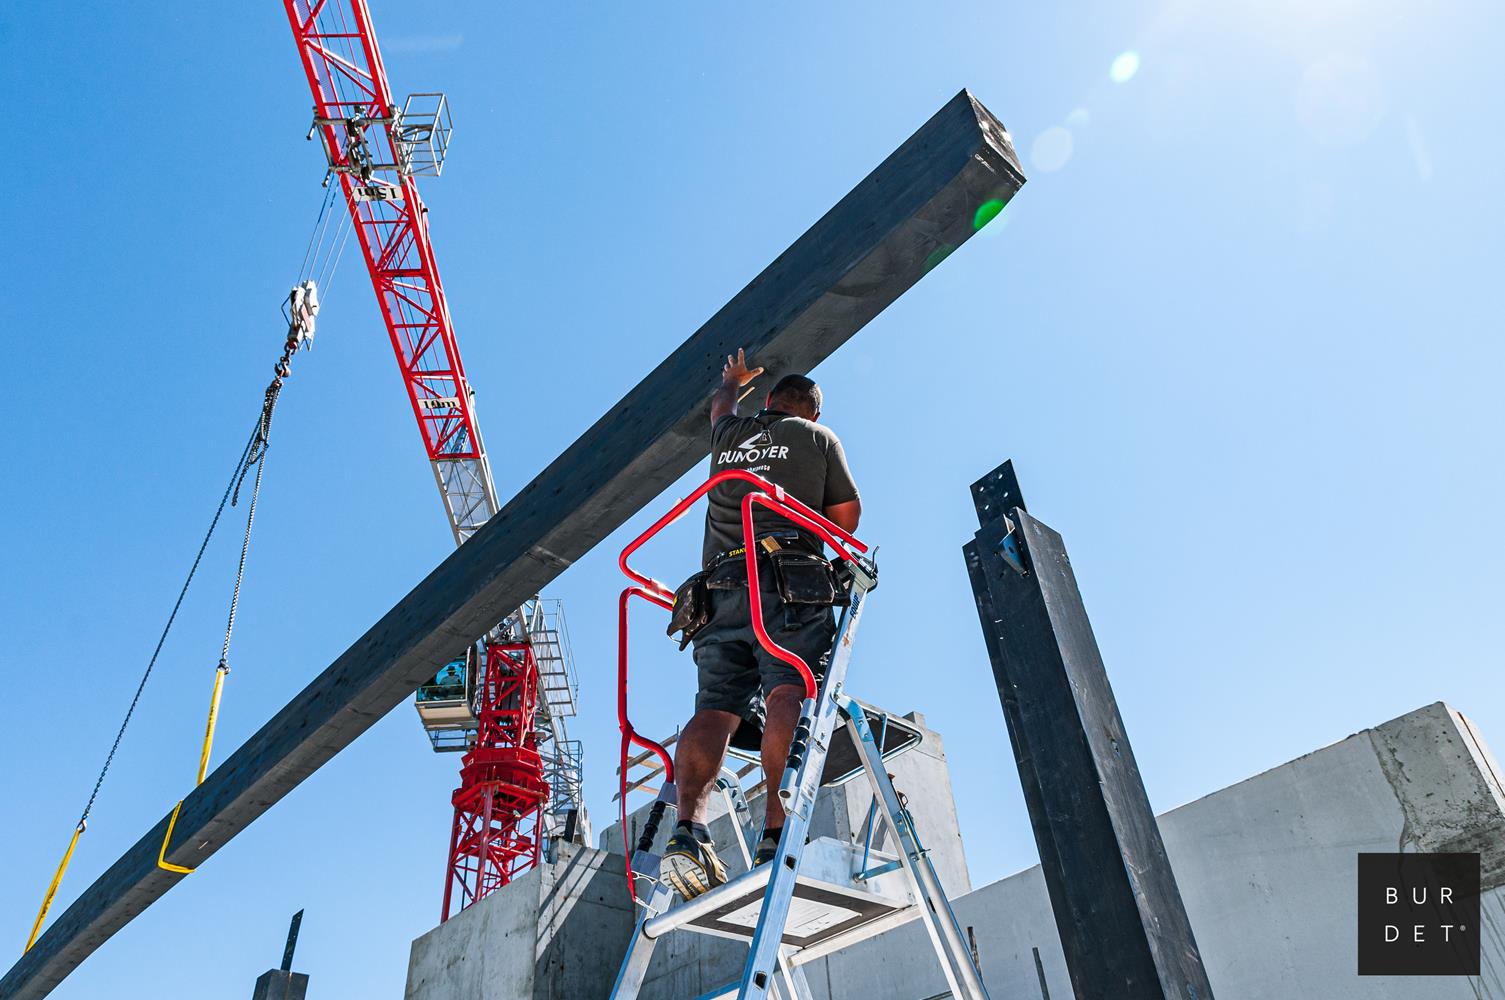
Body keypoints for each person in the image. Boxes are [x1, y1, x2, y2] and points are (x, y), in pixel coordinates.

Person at [659, 349, 861, 899]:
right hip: (787, 580)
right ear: (810, 412)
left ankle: (689, 830)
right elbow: (846, 519)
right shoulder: (817, 439)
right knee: (786, 693)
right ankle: (776, 832)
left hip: (719, 588)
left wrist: (731, 380)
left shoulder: (730, 435)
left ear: (769, 404)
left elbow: (718, 406)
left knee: (716, 709)